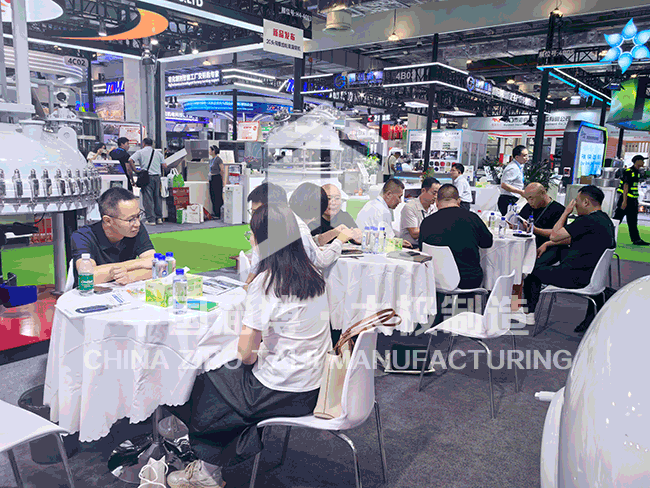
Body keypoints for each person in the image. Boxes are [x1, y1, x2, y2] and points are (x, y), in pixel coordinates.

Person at [165, 204, 331, 488]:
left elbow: (246, 356)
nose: (250, 240)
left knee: (204, 378)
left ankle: (206, 472)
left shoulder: (267, 283)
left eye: (251, 234)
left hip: (282, 391)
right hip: (315, 387)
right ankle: (212, 460)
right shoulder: (313, 274)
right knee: (222, 380)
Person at [522, 185, 616, 332]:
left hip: (574, 277)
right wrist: (548, 244)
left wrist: (566, 212)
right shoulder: (604, 220)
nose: (575, 204)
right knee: (555, 252)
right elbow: (572, 239)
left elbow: (555, 234)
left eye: (577, 201)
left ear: (586, 202)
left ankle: (529, 313)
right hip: (592, 275)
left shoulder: (586, 221)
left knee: (531, 270)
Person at [245, 183, 355, 285]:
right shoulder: (297, 226)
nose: (255, 217)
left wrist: (334, 233)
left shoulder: (289, 223)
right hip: (289, 287)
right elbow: (321, 261)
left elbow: (306, 244)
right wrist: (340, 240)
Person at [71, 188, 155, 285]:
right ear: (108, 221)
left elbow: (155, 265)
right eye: (130, 219)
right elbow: (88, 276)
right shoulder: (83, 236)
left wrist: (130, 276)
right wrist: (137, 264)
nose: (137, 224)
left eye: (138, 216)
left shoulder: (135, 229)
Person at [419, 184, 493, 289]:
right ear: (459, 201)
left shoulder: (427, 222)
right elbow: (487, 243)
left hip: (435, 279)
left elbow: (422, 249)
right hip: (469, 279)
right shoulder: (472, 218)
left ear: (437, 202)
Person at [357, 178, 413, 247]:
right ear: (389, 194)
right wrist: (400, 243)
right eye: (399, 197)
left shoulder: (370, 204)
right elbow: (387, 241)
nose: (400, 201)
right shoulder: (383, 211)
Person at [518, 182, 566, 261]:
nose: (529, 202)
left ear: (543, 193)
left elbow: (558, 234)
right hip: (525, 244)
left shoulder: (559, 209)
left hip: (547, 247)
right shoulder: (528, 206)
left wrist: (535, 230)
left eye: (531, 198)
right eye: (527, 199)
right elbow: (520, 220)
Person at [129, 138, 166, 225]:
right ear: (152, 144)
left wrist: (136, 170)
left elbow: (130, 160)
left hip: (147, 177)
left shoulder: (140, 152)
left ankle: (151, 219)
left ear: (143, 143)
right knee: (157, 197)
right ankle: (159, 218)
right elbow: (164, 165)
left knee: (148, 198)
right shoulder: (158, 153)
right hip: (157, 177)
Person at [614, 155, 649, 246]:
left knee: (633, 221)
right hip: (626, 200)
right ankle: (605, 235)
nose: (643, 162)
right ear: (637, 161)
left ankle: (636, 239)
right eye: (642, 160)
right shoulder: (629, 172)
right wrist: (624, 201)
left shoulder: (637, 172)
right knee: (617, 220)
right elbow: (626, 186)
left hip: (633, 200)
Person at [400, 177, 440, 247]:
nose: (436, 196)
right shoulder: (410, 207)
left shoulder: (434, 207)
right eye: (434, 193)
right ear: (423, 190)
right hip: (411, 246)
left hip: (427, 245)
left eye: (438, 194)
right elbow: (414, 234)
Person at [499, 145, 527, 215]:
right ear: (517, 157)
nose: (527, 158)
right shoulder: (513, 168)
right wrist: (520, 192)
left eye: (527, 155)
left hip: (512, 198)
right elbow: (504, 185)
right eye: (524, 155)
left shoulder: (519, 167)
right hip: (508, 199)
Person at [208, 145, 225, 219]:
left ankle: (219, 213)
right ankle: (215, 212)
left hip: (217, 178)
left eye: (210, 150)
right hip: (211, 178)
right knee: (212, 195)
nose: (209, 151)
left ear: (213, 151)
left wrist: (223, 180)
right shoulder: (211, 160)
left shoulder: (218, 159)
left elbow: (222, 170)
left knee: (218, 196)